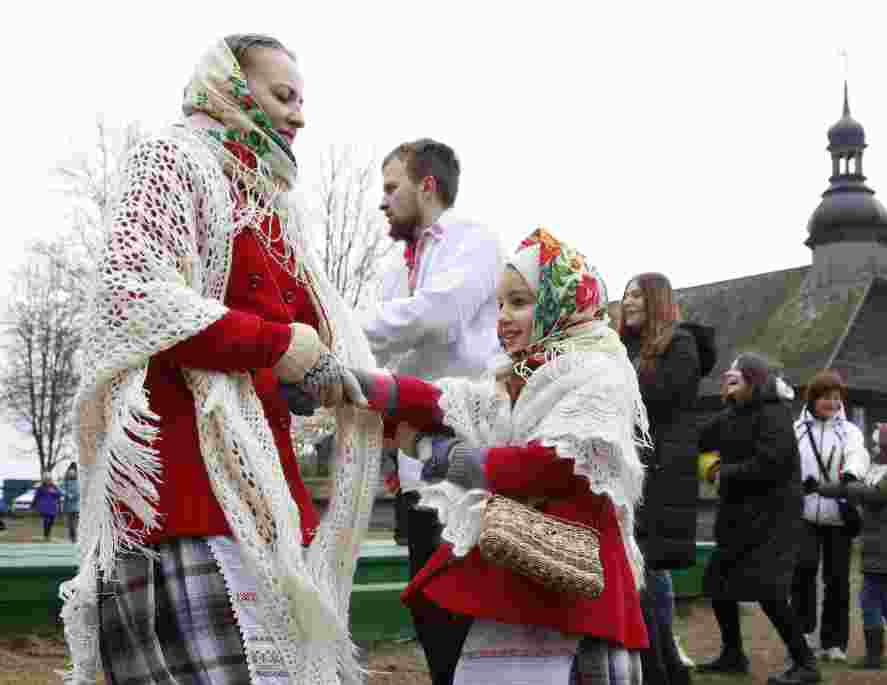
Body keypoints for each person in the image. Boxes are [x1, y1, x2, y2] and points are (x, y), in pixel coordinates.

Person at [60, 34, 381, 685]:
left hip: (262, 507)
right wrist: (278, 348)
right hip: (183, 505)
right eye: (283, 95)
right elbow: (134, 294)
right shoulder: (171, 161)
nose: (298, 115)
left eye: (302, 100)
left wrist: (308, 376)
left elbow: (295, 335)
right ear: (230, 87)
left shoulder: (272, 205)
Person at [344, 228, 648, 684]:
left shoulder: (598, 373)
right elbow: (445, 400)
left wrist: (456, 458)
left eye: (519, 302)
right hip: (519, 575)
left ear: (561, 303)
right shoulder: (519, 376)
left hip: (575, 594)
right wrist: (365, 386)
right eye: (499, 304)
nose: (503, 317)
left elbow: (556, 464)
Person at [359, 138, 505, 685]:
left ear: (427, 186)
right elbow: (387, 356)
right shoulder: (394, 273)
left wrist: (339, 325)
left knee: (466, 603)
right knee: (429, 604)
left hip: (468, 455)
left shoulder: (475, 242)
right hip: (415, 462)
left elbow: (437, 317)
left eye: (391, 187)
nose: (383, 201)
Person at [695, 354, 819, 685]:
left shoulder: (774, 414)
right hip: (738, 517)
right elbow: (698, 438)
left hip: (773, 519)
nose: (729, 375)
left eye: (737, 372)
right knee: (719, 582)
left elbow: (771, 465)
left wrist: (722, 473)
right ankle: (733, 655)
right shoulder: (732, 414)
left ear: (754, 379)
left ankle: (806, 664)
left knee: (769, 591)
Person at [619, 273, 716, 685]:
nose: (627, 302)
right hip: (631, 468)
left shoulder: (680, 345)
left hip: (659, 473)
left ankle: (659, 667)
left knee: (643, 570)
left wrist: (615, 382)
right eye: (625, 295)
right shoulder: (626, 348)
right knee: (645, 573)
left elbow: (659, 398)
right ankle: (667, 666)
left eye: (636, 295)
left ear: (656, 300)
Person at [804, 423, 887, 668]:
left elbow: (870, 493)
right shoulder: (885, 471)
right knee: (879, 596)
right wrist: (819, 488)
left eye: (878, 444)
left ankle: (875, 654)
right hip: (878, 543)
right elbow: (856, 488)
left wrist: (847, 483)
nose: (874, 448)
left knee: (870, 598)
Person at [790, 370, 870, 662]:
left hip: (839, 515)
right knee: (803, 572)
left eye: (837, 398)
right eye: (826, 397)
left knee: (837, 580)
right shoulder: (796, 430)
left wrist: (850, 475)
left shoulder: (849, 431)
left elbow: (858, 454)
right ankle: (803, 634)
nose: (832, 403)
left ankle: (834, 643)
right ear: (813, 398)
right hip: (804, 514)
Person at [32, 473, 64, 542]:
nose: (47, 480)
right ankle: (46, 536)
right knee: (46, 521)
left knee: (51, 522)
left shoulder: (54, 487)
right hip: (44, 507)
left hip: (53, 507)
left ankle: (48, 535)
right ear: (44, 480)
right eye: (46, 479)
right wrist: (33, 504)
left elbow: (60, 494)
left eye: (49, 479)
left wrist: (54, 492)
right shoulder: (41, 488)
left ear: (51, 479)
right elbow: (36, 496)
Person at [63, 463, 81, 544]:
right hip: (67, 507)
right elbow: (62, 489)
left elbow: (79, 492)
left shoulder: (78, 482)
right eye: (70, 473)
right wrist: (67, 494)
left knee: (74, 524)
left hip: (76, 507)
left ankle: (74, 538)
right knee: (69, 524)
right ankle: (71, 538)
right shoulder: (65, 482)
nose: (71, 475)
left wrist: (74, 495)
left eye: (73, 473)